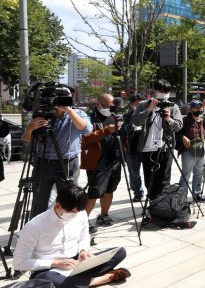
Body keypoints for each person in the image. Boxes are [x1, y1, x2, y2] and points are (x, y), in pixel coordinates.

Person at [13, 185, 130, 287]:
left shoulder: (80, 213)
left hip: (76, 263)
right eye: (72, 213)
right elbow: (19, 262)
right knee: (52, 281)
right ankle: (103, 279)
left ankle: (79, 282)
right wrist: (56, 263)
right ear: (57, 205)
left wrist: (83, 250)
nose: (76, 215)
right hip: (49, 270)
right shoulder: (35, 225)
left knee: (120, 252)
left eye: (78, 212)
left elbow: (84, 236)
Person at [22, 85, 93, 218]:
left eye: (66, 98)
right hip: (43, 162)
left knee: (69, 200)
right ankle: (38, 231)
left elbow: (87, 130)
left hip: (66, 163)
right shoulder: (42, 114)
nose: (63, 100)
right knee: (39, 201)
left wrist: (69, 111)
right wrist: (30, 128)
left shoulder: (78, 114)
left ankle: (67, 229)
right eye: (60, 98)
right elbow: (26, 140)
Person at [131, 79, 183, 201]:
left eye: (166, 91)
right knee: (149, 179)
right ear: (155, 91)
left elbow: (179, 126)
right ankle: (152, 203)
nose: (163, 93)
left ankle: (162, 205)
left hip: (165, 147)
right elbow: (135, 121)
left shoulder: (173, 106)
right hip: (147, 147)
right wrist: (149, 110)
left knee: (164, 179)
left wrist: (169, 119)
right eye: (161, 90)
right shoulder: (143, 104)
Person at [82, 94, 122, 231]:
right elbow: (86, 138)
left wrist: (123, 129)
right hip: (98, 161)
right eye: (106, 106)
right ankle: (83, 222)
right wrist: (106, 130)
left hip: (115, 158)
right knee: (94, 192)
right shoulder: (89, 117)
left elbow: (125, 135)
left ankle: (104, 215)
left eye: (112, 106)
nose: (109, 109)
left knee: (110, 190)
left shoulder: (115, 115)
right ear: (98, 104)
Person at [176, 100, 205, 202]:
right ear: (191, 109)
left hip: (200, 150)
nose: (198, 110)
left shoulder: (202, 121)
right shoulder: (185, 120)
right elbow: (176, 133)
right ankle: (182, 198)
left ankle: (197, 195)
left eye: (200, 108)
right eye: (196, 108)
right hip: (188, 151)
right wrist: (183, 137)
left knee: (198, 174)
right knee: (186, 175)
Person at [122, 94, 145, 202]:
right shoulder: (127, 116)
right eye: (137, 103)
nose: (139, 105)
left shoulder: (148, 115)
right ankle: (138, 192)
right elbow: (125, 130)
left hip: (146, 148)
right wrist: (134, 121)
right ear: (132, 105)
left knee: (149, 171)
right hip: (132, 148)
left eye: (141, 103)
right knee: (134, 173)